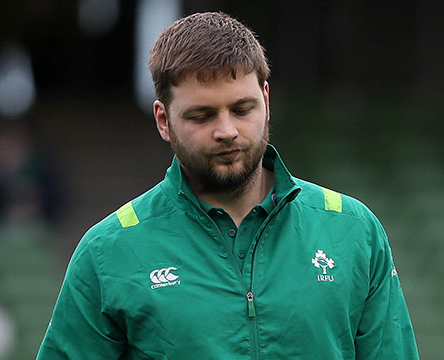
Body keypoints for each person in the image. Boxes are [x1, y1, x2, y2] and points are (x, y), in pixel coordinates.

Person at [37, 12, 419, 359]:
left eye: (242, 109)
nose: (227, 131)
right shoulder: (108, 251)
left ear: (266, 101)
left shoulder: (353, 230)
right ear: (163, 119)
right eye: (201, 116)